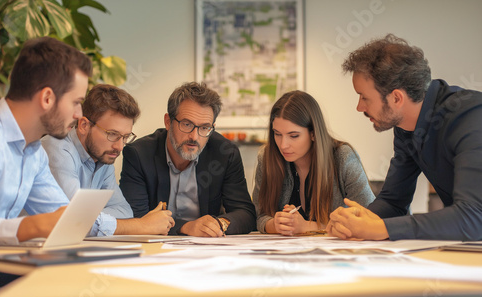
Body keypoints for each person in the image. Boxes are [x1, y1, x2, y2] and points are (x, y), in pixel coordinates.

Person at [328, 34, 482, 241]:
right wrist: (360, 218)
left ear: (396, 98)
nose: (359, 107)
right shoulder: (406, 128)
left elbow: (472, 218)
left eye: (364, 97)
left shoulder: (471, 119)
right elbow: (393, 202)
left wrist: (380, 229)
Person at [0, 36, 91, 245]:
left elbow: (60, 218)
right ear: (47, 98)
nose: (79, 114)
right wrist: (34, 226)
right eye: (76, 102)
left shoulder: (34, 153)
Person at [119, 82, 256, 237]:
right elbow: (136, 218)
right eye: (186, 124)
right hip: (156, 249)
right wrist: (185, 227)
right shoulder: (139, 154)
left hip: (207, 248)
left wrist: (219, 224)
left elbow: (246, 213)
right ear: (168, 122)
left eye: (204, 128)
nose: (194, 137)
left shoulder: (225, 154)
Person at [42, 84, 174, 236]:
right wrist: (141, 225)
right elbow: (73, 221)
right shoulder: (57, 150)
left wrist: (89, 216)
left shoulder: (104, 158)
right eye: (112, 134)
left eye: (125, 137)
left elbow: (124, 211)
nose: (119, 147)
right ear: (84, 125)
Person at [252, 90, 375, 235]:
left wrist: (308, 226)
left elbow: (370, 218)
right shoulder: (267, 157)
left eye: (294, 136)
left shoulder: (343, 157)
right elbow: (259, 216)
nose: (283, 145)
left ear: (313, 133)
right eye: (277, 134)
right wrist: (275, 224)